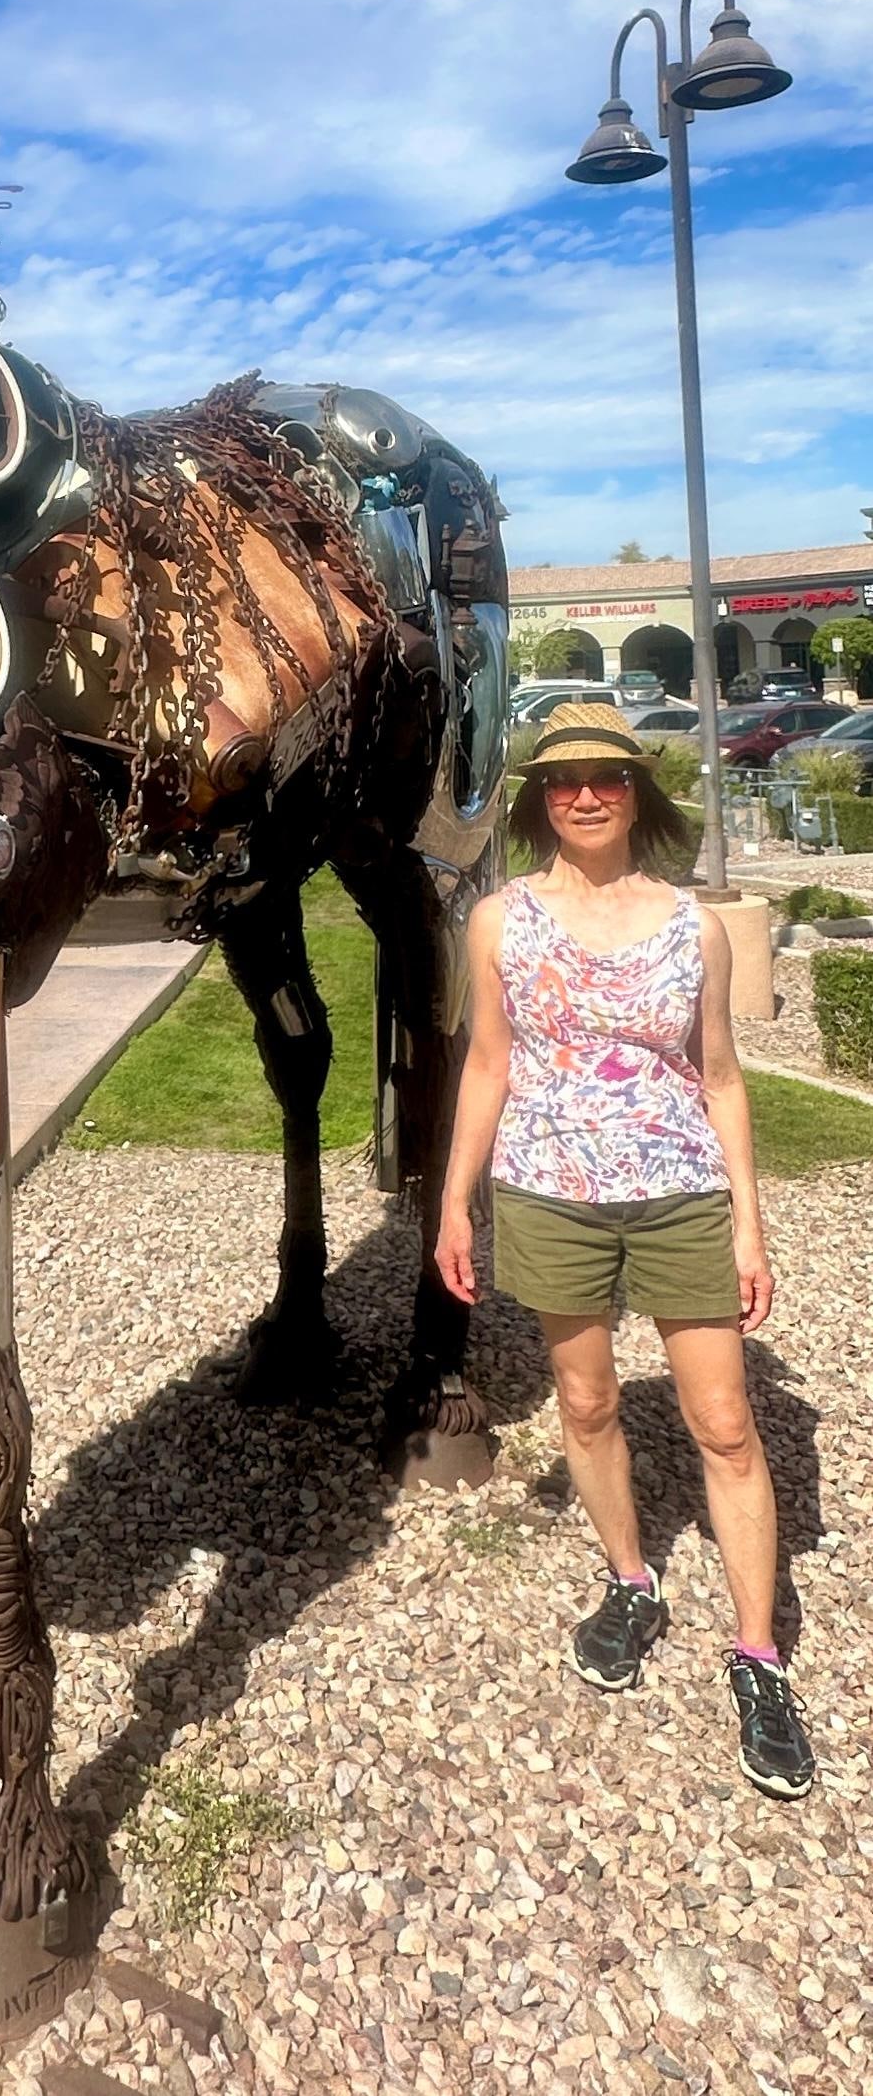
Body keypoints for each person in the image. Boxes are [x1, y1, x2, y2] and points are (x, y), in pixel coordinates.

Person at [435, 702, 814, 1800]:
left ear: (636, 793)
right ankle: (631, 1578)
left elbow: (722, 1076)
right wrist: (455, 1203)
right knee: (586, 1401)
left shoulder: (689, 925)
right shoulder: (501, 921)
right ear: (537, 799)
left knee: (725, 1422)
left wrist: (749, 1221)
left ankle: (756, 1657)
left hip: (679, 1194)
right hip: (549, 1194)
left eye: (606, 775)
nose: (585, 792)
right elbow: (488, 1067)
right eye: (562, 779)